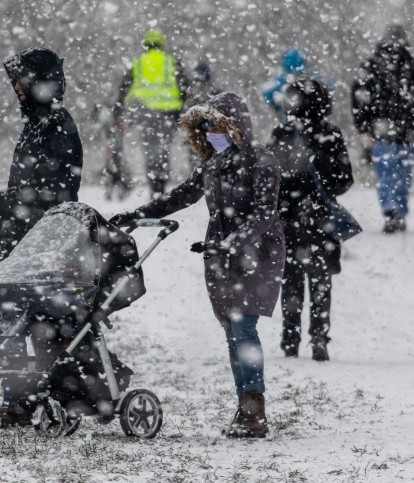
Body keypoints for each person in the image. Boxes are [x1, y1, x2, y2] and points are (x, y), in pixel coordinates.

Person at [110, 92, 285, 438]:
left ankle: (254, 411)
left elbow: (265, 215)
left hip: (258, 256)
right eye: (203, 127)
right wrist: (136, 215)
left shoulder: (262, 162)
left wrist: (234, 243)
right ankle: (245, 405)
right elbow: (179, 197)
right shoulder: (213, 165)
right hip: (221, 256)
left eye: (214, 125)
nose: (208, 133)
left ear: (233, 126)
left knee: (243, 328)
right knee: (232, 333)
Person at [0, 47, 83, 425]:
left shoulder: (57, 126)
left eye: (22, 81)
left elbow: (54, 193)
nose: (16, 88)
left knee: (33, 328)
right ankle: (18, 401)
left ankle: (36, 399)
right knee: (10, 326)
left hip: (39, 248)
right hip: (21, 246)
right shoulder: (38, 123)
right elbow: (34, 190)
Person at [268, 78, 354, 361]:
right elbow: (344, 180)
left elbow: (268, 179)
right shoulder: (331, 135)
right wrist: (320, 188)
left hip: (288, 218)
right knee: (320, 280)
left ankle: (290, 337)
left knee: (290, 280)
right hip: (321, 218)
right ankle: (319, 336)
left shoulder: (281, 134)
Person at [351, 25, 414, 233]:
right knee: (403, 174)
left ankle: (390, 212)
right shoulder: (413, 66)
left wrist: (363, 126)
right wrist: (410, 97)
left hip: (382, 130)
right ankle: (399, 211)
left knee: (386, 174)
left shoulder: (371, 66)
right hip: (407, 130)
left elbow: (359, 98)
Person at [114, 29, 189, 198]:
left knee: (151, 150)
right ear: (162, 44)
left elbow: (124, 87)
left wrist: (118, 110)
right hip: (168, 114)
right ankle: (160, 186)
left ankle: (154, 185)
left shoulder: (138, 63)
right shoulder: (171, 61)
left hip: (146, 114)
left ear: (146, 45)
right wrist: (180, 109)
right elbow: (184, 87)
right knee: (164, 150)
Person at [262, 47, 334, 123]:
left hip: (289, 124)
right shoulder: (311, 77)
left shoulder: (281, 81)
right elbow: (329, 87)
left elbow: (268, 93)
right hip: (313, 122)